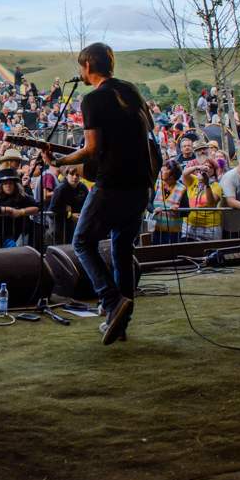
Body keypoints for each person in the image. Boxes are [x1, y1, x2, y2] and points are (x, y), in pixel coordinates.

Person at [42, 43, 156, 345]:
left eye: (82, 66)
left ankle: (110, 300)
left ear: (89, 67)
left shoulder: (93, 99)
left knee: (82, 241)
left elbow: (92, 149)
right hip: (141, 183)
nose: (80, 72)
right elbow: (149, 128)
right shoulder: (131, 90)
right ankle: (120, 322)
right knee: (121, 249)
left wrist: (58, 161)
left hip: (112, 182)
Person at [0, 168, 40, 246]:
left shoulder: (21, 195)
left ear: (15, 184)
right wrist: (9, 210)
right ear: (1, 185)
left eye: (10, 183)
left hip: (15, 232)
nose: (8, 186)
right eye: (5, 183)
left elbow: (37, 207)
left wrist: (21, 211)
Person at [149, 160, 184, 245]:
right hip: (155, 228)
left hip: (172, 231)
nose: (161, 171)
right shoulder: (157, 184)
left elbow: (187, 211)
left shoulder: (181, 189)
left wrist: (178, 209)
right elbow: (148, 203)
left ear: (172, 175)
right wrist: (154, 210)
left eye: (165, 169)